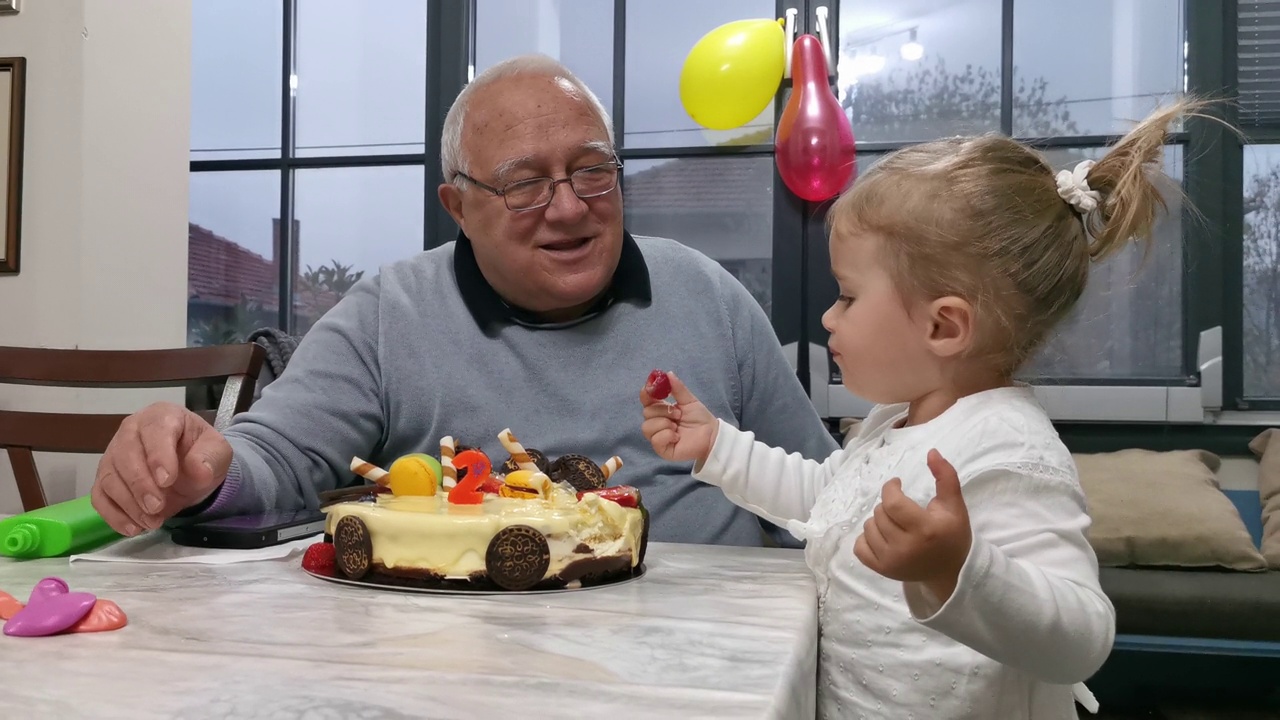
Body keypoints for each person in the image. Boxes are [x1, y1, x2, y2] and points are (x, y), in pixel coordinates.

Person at [89, 54, 837, 548]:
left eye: (591, 171)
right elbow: (276, 457)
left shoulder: (707, 293)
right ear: (457, 205)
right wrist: (205, 469)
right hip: (469, 661)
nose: (571, 208)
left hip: (703, 660)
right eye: (523, 184)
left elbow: (829, 495)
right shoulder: (390, 316)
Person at [640, 100, 1206, 717]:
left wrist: (961, 567)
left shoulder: (1010, 448)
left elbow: (1084, 636)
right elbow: (826, 499)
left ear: (944, 327)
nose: (828, 317)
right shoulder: (894, 421)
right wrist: (717, 446)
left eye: (848, 297)